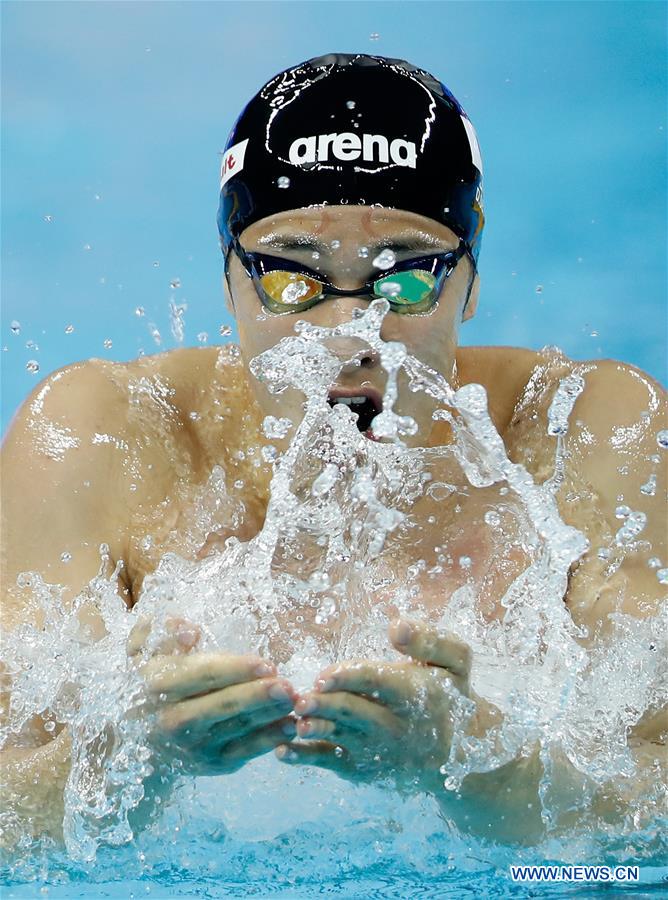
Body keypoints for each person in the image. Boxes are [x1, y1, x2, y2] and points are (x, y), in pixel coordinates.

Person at [1, 53, 665, 848]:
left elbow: (650, 812)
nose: (347, 335)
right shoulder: (104, 438)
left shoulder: (587, 434)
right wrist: (117, 761)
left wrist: (482, 768)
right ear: (228, 275)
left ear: (470, 268)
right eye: (291, 279)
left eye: (403, 280)